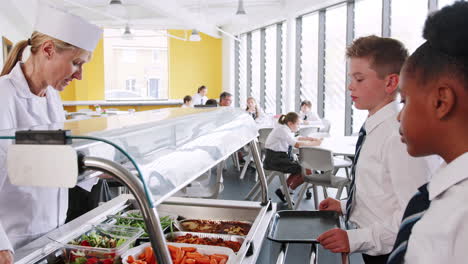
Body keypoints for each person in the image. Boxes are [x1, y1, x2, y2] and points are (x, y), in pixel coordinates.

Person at [316, 36, 432, 264]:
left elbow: (413, 215)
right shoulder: (373, 127)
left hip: (394, 253)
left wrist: (356, 238)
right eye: (351, 78)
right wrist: (347, 206)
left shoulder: (398, 136)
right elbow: (380, 191)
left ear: (390, 83)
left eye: (359, 79)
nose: (350, 86)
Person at [0, 4, 102, 262]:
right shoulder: (3, 97)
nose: (79, 75)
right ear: (48, 50)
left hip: (53, 237)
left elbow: (44, 164)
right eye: (76, 63)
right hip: (14, 245)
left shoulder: (52, 99)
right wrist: (2, 247)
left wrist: (99, 169)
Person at [387, 3, 468, 263]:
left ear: (441, 101)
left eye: (405, 100)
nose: (400, 115)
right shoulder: (443, 195)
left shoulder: (455, 220)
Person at [263, 112, 322, 202]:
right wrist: (315, 143)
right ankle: (288, 191)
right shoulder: (282, 130)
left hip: (280, 158)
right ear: (290, 123)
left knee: (303, 168)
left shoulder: (285, 129)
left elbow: (295, 138)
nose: (299, 126)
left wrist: (309, 139)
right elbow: (296, 144)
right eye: (298, 124)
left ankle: (284, 190)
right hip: (274, 160)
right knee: (305, 170)